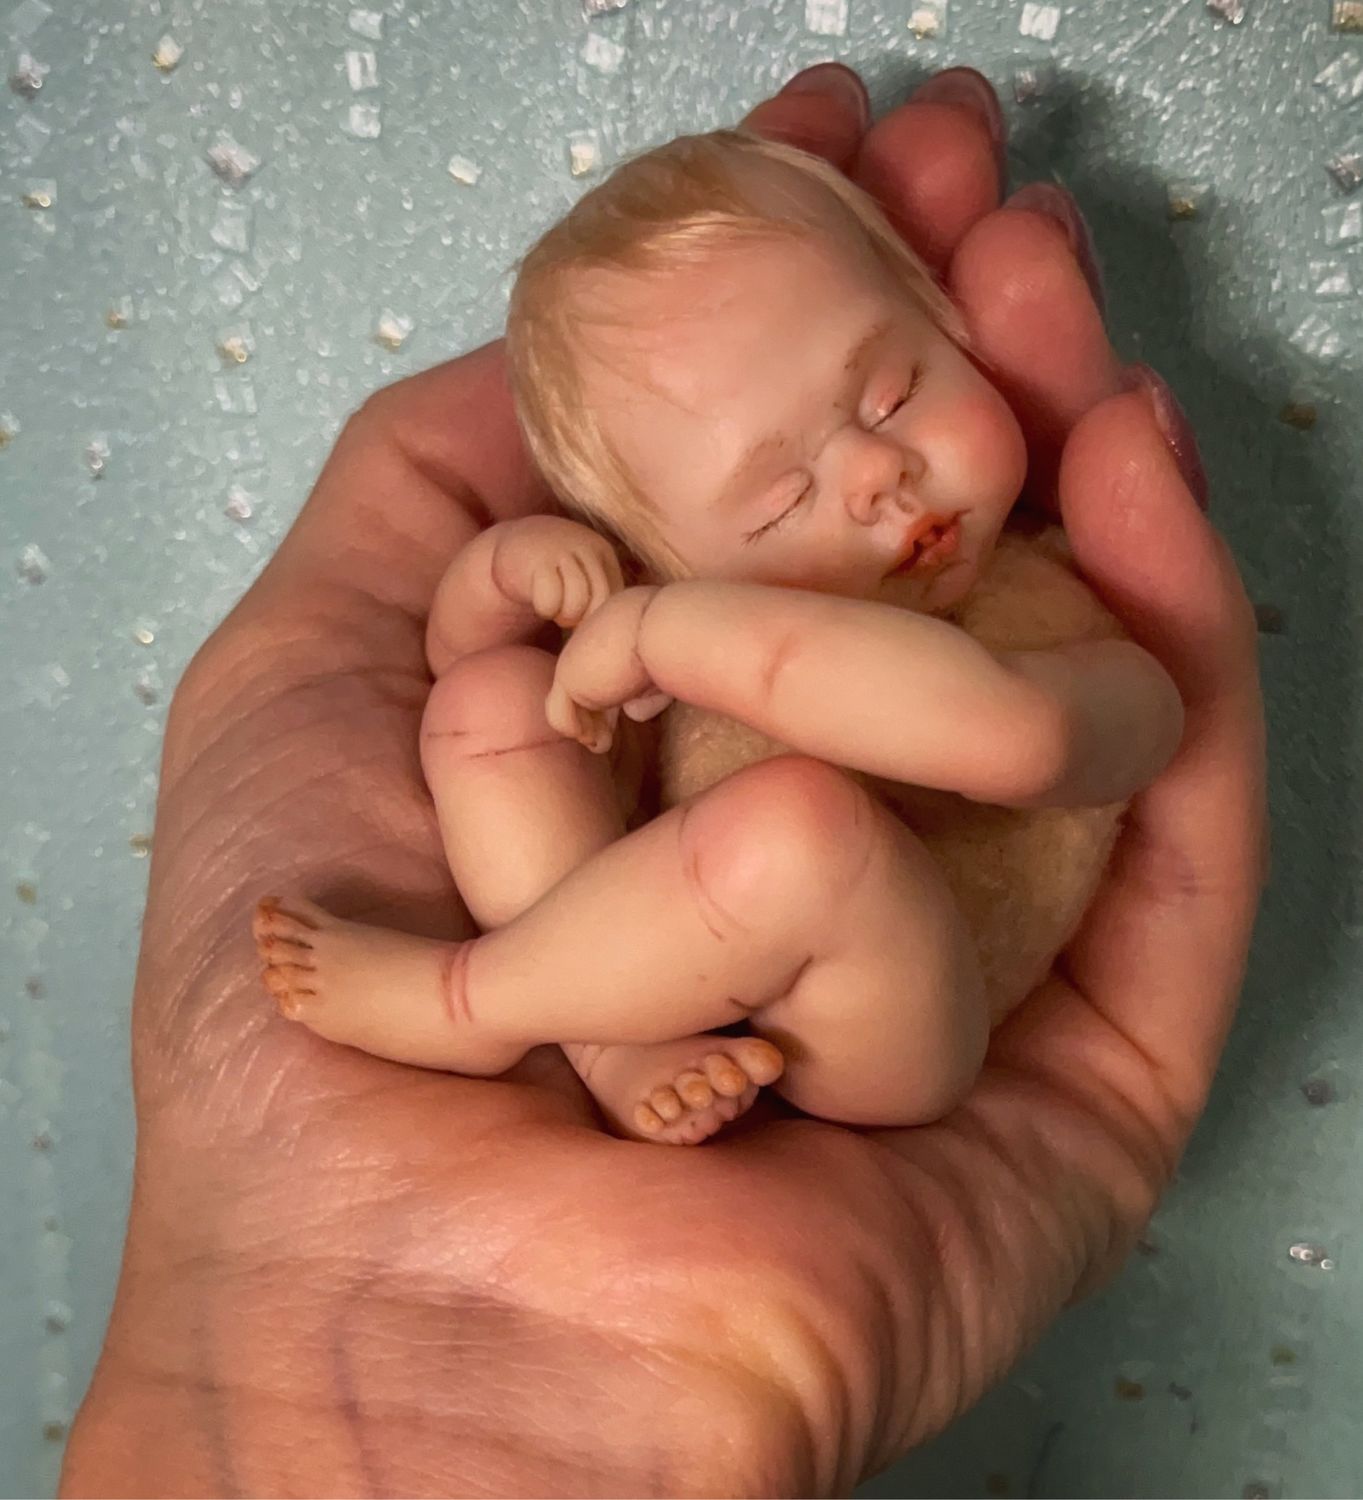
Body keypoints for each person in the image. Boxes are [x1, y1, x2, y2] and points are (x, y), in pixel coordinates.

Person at [60, 63, 1266, 1498]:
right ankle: (614, 1048)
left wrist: (692, 634)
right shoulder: (662, 607)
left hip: (883, 1033)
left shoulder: (1076, 631)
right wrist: (506, 577)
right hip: (666, 938)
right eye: (777, 498)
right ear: (660, 544)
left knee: (802, 833)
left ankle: (469, 1004)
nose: (875, 477)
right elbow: (470, 668)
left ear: (958, 331)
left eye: (892, 390)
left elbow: (1005, 737)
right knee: (490, 709)